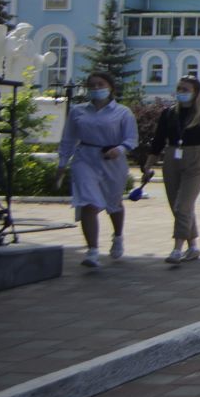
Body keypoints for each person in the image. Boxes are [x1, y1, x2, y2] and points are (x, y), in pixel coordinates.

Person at [57, 72, 139, 268]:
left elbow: (131, 139)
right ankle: (92, 250)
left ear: (110, 87)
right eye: (92, 85)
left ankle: (117, 236)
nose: (96, 89)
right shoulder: (78, 111)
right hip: (85, 158)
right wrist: (62, 164)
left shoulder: (122, 112)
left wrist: (118, 150)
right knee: (88, 203)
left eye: (100, 84)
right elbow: (68, 138)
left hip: (112, 161)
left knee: (114, 202)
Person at [141, 75, 200, 262]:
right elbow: (158, 139)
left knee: (183, 205)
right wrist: (149, 163)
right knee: (176, 205)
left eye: (185, 90)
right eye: (179, 89)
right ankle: (192, 247)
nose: (181, 93)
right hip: (172, 156)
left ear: (195, 93)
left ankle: (177, 249)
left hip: (197, 157)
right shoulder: (168, 113)